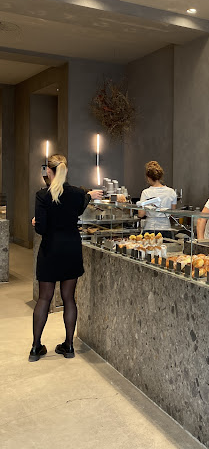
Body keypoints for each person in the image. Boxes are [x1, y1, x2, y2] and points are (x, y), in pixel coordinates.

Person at [30, 154, 103, 361]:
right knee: (69, 298)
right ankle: (69, 346)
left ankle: (36, 347)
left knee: (44, 298)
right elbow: (80, 207)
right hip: (71, 249)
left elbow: (41, 228)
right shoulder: (77, 194)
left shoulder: (42, 195)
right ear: (65, 170)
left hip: (50, 250)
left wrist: (35, 222)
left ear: (49, 171)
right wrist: (88, 194)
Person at [138, 161, 177, 238]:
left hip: (150, 227)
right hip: (166, 228)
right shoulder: (171, 192)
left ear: (148, 178)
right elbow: (172, 213)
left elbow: (141, 214)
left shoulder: (146, 192)